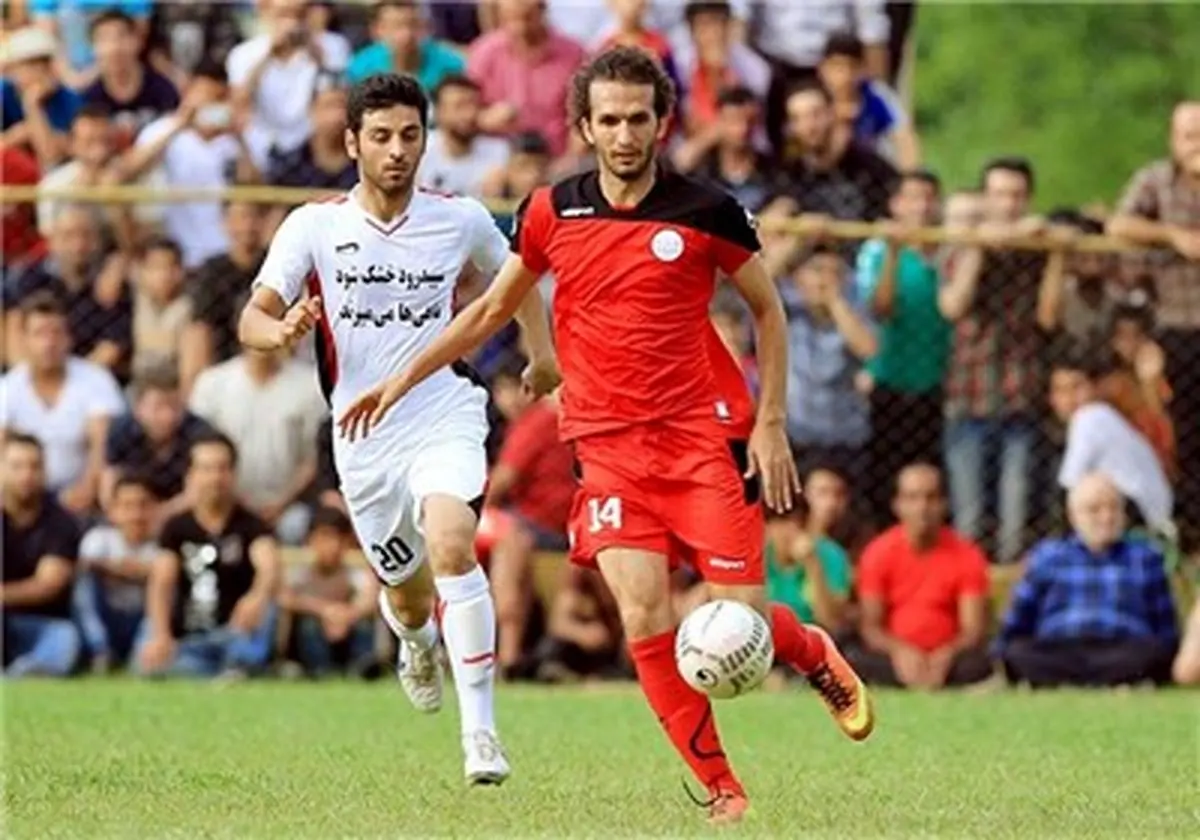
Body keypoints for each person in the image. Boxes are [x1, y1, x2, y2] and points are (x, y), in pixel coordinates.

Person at [337, 48, 874, 824]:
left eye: (638, 119)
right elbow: (491, 310)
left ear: (662, 123)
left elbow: (768, 309)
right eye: (610, 120)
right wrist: (400, 380)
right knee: (645, 618)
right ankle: (723, 789)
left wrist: (772, 422)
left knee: (744, 630)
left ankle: (811, 651)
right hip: (609, 451)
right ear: (585, 127)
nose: (625, 135)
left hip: (701, 443)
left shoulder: (707, 210)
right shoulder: (551, 211)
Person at [237, 73, 555, 785]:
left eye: (410, 135)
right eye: (380, 136)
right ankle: (415, 639)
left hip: (442, 410)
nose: (397, 150)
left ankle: (481, 735)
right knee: (409, 595)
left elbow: (519, 280)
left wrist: (542, 355)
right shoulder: (314, 226)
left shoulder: (460, 218)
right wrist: (279, 331)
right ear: (352, 142)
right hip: (363, 438)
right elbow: (252, 316)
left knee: (452, 544)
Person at [133, 432, 283, 679]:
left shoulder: (253, 526)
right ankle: (221, 672)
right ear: (190, 476)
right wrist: (161, 634)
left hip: (236, 631)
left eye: (222, 468)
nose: (215, 478)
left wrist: (256, 597)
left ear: (233, 474)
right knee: (149, 658)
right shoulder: (175, 528)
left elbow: (269, 568)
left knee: (267, 610)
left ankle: (232, 667)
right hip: (188, 636)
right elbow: (161, 583)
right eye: (206, 469)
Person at [2, 433, 83, 678]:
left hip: (39, 622)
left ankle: (24, 673)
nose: (26, 475)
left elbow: (48, 585)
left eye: (34, 466)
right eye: (17, 466)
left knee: (66, 637)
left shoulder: (60, 522)